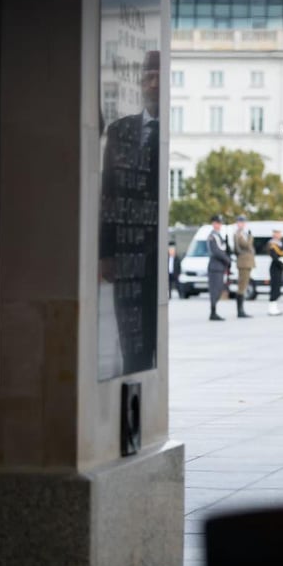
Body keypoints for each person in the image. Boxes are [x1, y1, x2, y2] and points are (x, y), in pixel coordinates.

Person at [98, 49, 162, 372]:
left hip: (157, 255)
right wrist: (105, 253)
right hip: (127, 256)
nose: (152, 84)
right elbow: (108, 193)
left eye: (158, 77)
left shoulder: (168, 133)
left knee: (154, 345)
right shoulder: (120, 130)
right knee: (132, 348)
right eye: (147, 77)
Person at [206, 214, 232, 322]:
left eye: (220, 223)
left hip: (220, 267)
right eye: (217, 223)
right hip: (215, 267)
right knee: (215, 290)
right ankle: (213, 312)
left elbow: (224, 249)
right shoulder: (212, 236)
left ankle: (214, 311)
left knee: (219, 289)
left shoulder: (219, 235)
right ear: (213, 224)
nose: (219, 225)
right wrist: (227, 259)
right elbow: (216, 251)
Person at [232, 215, 255, 318]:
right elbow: (247, 245)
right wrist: (250, 237)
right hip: (243, 263)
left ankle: (241, 310)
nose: (242, 224)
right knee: (242, 286)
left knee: (244, 286)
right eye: (240, 222)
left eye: (243, 222)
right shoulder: (239, 234)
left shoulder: (242, 234)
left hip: (246, 262)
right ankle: (240, 311)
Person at [266, 229, 283, 316]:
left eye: (279, 233)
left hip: (279, 267)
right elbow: (274, 256)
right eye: (277, 233)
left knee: (278, 287)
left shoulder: (280, 244)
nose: (279, 235)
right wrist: (281, 262)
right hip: (275, 267)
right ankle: (271, 308)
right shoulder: (272, 244)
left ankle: (275, 307)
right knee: (274, 287)